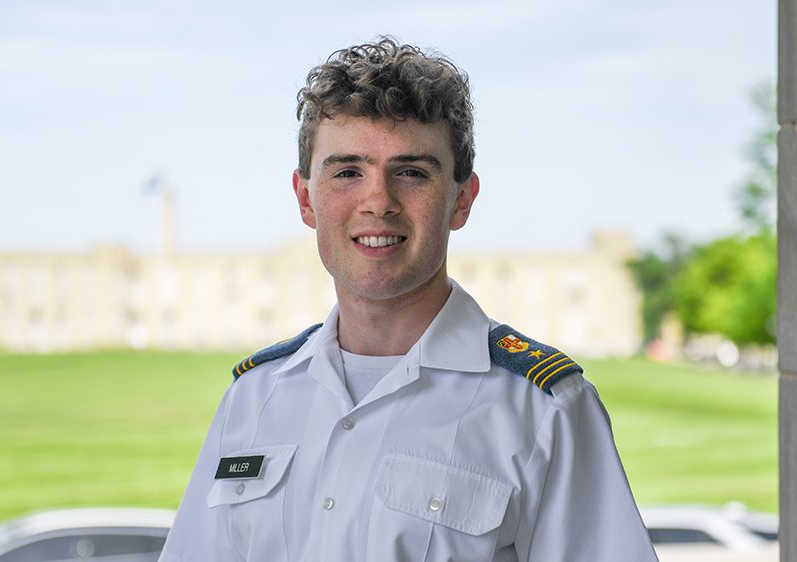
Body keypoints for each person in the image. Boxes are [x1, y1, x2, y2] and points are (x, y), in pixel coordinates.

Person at [159, 37, 658, 562]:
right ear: (306, 198)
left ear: (461, 200)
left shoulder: (543, 410)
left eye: (411, 172)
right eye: (348, 171)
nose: (378, 201)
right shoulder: (254, 400)